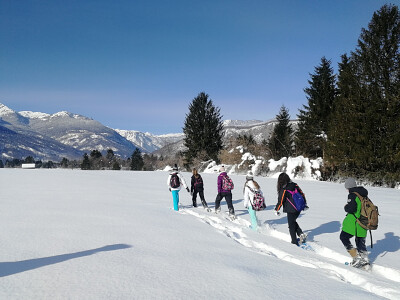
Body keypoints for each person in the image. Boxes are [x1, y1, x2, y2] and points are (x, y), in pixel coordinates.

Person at [339, 177, 370, 268]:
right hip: (364, 222)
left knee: (343, 237)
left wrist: (346, 207)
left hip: (355, 222)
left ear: (348, 187)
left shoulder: (352, 195)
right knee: (360, 241)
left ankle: (356, 257)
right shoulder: (363, 194)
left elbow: (352, 209)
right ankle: (365, 260)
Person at [274, 172, 308, 246]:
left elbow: (281, 200)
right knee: (293, 221)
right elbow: (302, 194)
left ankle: (294, 241)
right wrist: (305, 204)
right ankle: (300, 234)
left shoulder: (284, 189)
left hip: (291, 209)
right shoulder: (294, 185)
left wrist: (277, 209)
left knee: (291, 225)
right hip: (299, 207)